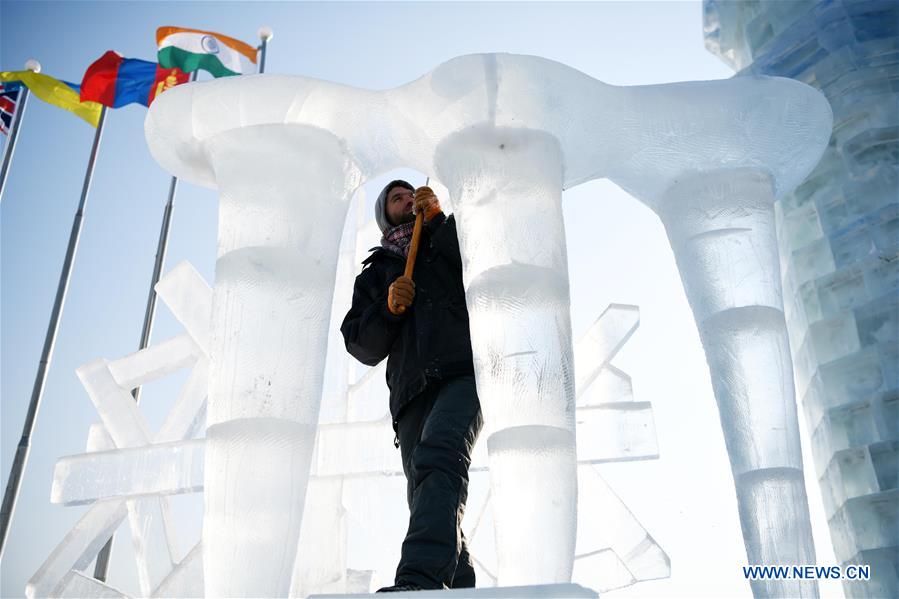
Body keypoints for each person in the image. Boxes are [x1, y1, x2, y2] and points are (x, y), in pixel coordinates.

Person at [340, 180, 483, 592]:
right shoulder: (377, 273)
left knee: (440, 453)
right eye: (396, 198)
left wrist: (439, 220)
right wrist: (387, 308)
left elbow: (481, 265)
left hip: (462, 370)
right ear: (386, 215)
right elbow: (359, 343)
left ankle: (417, 582)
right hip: (410, 390)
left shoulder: (448, 234)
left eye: (410, 194)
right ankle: (460, 587)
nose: (407, 200)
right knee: (427, 487)